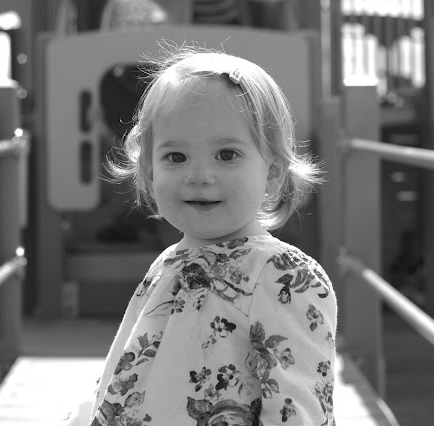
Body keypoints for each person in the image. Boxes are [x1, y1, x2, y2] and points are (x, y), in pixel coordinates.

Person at [63, 45, 337, 426]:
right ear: (150, 173)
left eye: (226, 155)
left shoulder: (282, 276)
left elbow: (300, 407)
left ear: (272, 173)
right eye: (176, 157)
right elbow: (129, 365)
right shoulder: (170, 262)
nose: (199, 176)